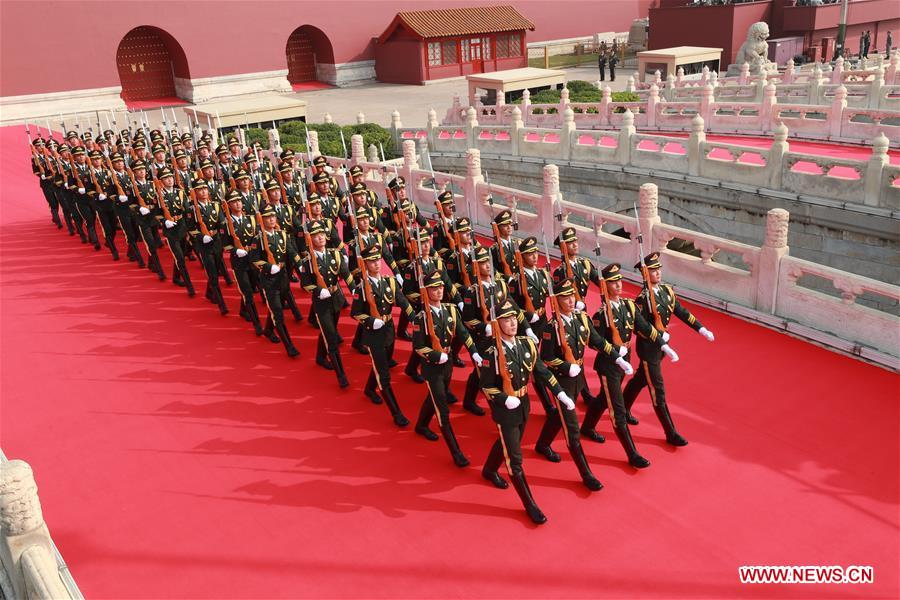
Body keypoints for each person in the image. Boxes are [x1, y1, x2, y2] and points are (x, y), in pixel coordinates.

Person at [479, 299, 574, 525]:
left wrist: (560, 394)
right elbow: (486, 386)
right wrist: (504, 399)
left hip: (523, 404)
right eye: (506, 320)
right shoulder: (492, 353)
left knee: (509, 441)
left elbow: (542, 373)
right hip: (506, 409)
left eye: (514, 318)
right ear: (497, 323)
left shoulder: (527, 345)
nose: (513, 323)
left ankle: (489, 469)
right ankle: (530, 504)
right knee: (515, 459)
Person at [581, 263, 675, 469]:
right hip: (608, 365)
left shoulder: (629, 306)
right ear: (605, 287)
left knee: (605, 397)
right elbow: (592, 342)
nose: (618, 285)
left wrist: (663, 344)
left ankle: (587, 427)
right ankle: (632, 454)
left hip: (625, 362)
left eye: (619, 281)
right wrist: (615, 351)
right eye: (613, 282)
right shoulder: (600, 315)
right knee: (618, 409)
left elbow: (645, 328)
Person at [536, 278, 628, 491]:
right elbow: (546, 357)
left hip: (578, 376)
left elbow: (597, 341)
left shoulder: (582, 318)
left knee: (560, 414)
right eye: (565, 297)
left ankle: (542, 444)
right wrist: (565, 367)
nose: (570, 300)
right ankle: (587, 475)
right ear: (556, 300)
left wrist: (616, 356)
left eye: (572, 296)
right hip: (562, 379)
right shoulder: (551, 327)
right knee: (572, 428)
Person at [622, 252, 715, 446]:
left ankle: (622, 409)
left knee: (641, 379)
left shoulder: (666, 291)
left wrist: (701, 328)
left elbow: (681, 312)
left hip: (661, 349)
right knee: (658, 389)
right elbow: (638, 328)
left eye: (658, 269)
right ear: (645, 274)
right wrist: (658, 336)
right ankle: (670, 432)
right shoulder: (642, 299)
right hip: (649, 348)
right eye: (653, 270)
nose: (658, 273)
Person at [412, 270, 482, 467]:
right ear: (426, 291)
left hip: (448, 363)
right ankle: (456, 452)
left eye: (441, 287)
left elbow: (463, 333)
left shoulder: (450, 310)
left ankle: (421, 425)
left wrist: (474, 352)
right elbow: (418, 347)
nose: (439, 290)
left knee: (434, 397)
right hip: (432, 367)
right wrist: (436, 356)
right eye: (434, 288)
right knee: (442, 408)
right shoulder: (421, 318)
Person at [351, 243, 416, 427]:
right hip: (373, 334)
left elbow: (403, 302)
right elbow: (355, 313)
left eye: (378, 260)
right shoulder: (362, 288)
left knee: (383, 363)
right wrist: (371, 321)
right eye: (372, 261)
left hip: (388, 329)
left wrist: (415, 319)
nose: (376, 264)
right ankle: (397, 413)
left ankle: (369, 389)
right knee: (384, 375)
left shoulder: (389, 282)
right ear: (365, 264)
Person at [301, 220, 355, 388]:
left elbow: (346, 274)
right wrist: (318, 291)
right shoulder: (308, 261)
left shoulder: (335, 254)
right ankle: (341, 375)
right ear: (310, 239)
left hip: (336, 298)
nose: (321, 237)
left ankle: (320, 357)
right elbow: (305, 284)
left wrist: (355, 290)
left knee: (328, 330)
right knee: (331, 337)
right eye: (316, 235)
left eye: (322, 234)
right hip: (322, 302)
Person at [254, 206, 304, 358]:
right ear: (262, 220)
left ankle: (268, 329)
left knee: (276, 307)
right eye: (267, 217)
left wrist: (300, 264)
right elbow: (254, 259)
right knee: (278, 313)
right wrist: (269, 267)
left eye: (273, 217)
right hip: (269, 280)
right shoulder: (258, 238)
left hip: (282, 277)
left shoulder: (282, 234)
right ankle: (289, 345)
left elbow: (291, 251)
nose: (271, 219)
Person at [221, 190, 268, 338]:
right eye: (234, 202)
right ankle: (257, 324)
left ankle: (243, 310)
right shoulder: (226, 224)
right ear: (228, 205)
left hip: (252, 260)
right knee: (248, 293)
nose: (238, 204)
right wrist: (236, 250)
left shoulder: (251, 219)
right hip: (239, 263)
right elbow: (225, 244)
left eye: (239, 201)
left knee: (254, 287)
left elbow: (258, 237)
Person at [187, 179, 228, 316]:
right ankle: (221, 304)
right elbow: (191, 228)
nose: (203, 191)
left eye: (205, 188)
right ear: (195, 192)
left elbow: (222, 223)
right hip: (204, 245)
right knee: (213, 274)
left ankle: (209, 292)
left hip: (216, 242)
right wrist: (201, 236)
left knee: (216, 267)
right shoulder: (192, 209)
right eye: (200, 189)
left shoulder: (215, 205)